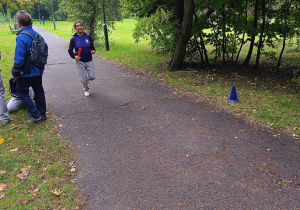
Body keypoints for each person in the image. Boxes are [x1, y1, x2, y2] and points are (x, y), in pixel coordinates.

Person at [12, 10, 47, 123]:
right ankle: (42, 113)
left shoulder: (22, 36)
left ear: (18, 22)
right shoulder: (37, 34)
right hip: (38, 69)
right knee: (39, 91)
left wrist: (15, 72)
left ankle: (35, 115)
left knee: (21, 91)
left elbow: (20, 57)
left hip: (27, 71)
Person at [68, 21, 96, 97]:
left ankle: (85, 81)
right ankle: (86, 89)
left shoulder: (88, 37)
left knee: (92, 76)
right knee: (83, 79)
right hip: (79, 61)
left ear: (83, 26)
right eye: (77, 26)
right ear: (75, 28)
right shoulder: (74, 39)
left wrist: (93, 50)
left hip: (89, 59)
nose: (79, 27)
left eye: (81, 25)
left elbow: (92, 47)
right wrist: (74, 57)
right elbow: (70, 50)